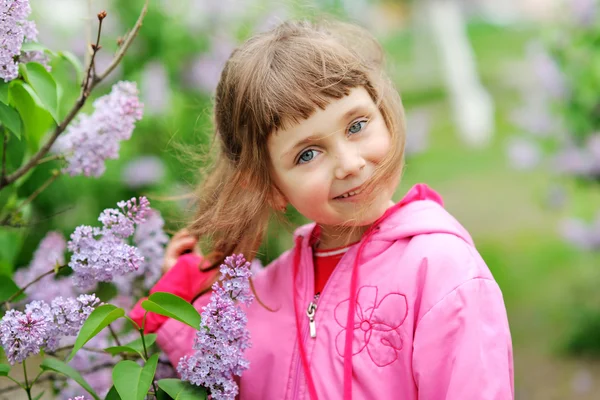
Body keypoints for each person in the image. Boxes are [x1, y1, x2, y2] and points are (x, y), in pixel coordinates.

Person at [130, 19, 514, 399]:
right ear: (268, 186)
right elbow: (216, 371)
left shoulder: (441, 270)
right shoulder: (266, 293)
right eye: (308, 154)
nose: (349, 164)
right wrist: (182, 290)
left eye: (357, 125)